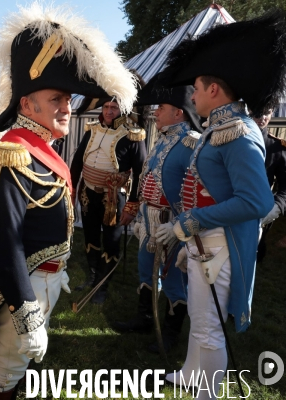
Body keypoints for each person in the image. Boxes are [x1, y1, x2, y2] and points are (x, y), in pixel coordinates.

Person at [0, 3, 138, 397]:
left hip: (44, 280)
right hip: (21, 289)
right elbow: (3, 244)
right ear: (27, 105)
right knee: (4, 375)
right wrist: (26, 313)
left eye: (69, 99)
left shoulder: (40, 147)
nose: (68, 107)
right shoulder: (12, 155)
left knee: (15, 369)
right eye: (58, 98)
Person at [156, 11, 283, 398]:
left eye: (196, 87)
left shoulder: (239, 133)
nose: (191, 95)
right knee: (200, 317)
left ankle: (207, 393)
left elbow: (256, 201)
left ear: (214, 90)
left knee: (209, 325)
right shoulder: (218, 130)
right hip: (207, 242)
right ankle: (192, 372)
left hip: (221, 246)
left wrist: (190, 223)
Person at [111, 76, 203, 354]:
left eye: (161, 108)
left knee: (175, 281)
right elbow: (146, 178)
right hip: (149, 222)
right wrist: (138, 214)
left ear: (179, 112)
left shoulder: (193, 144)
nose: (155, 112)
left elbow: (198, 191)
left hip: (175, 226)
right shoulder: (160, 140)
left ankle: (171, 336)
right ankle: (145, 318)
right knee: (145, 269)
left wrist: (180, 226)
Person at [69, 96, 147, 303]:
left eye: (114, 107)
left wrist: (131, 205)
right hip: (88, 192)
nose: (109, 111)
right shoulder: (92, 129)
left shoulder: (133, 136)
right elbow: (77, 162)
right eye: (106, 107)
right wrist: (72, 189)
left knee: (111, 243)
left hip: (113, 197)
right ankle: (94, 276)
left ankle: (102, 286)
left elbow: (140, 173)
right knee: (90, 236)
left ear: (121, 110)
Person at [251, 108, 286, 260]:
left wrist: (277, 207)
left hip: (260, 213)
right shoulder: (230, 140)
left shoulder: (276, 147)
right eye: (258, 112)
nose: (263, 117)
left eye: (268, 112)